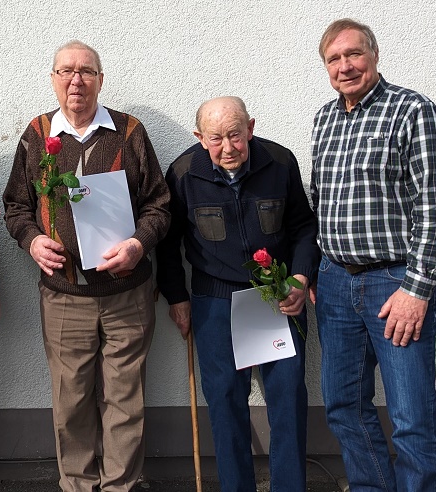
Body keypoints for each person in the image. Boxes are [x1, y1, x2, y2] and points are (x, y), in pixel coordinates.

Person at [3, 40, 170, 492]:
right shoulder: (37, 136)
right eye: (67, 71)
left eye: (87, 71)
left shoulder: (129, 132)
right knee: (70, 400)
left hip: (128, 293)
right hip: (64, 296)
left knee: (125, 400)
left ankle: (120, 486)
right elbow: (16, 205)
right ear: (54, 79)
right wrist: (33, 240)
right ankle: (77, 485)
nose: (77, 80)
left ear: (100, 78)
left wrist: (138, 244)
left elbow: (159, 205)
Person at [310, 18, 436, 491]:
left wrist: (418, 289)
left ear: (374, 55)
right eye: (334, 58)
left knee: (411, 416)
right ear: (325, 67)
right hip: (334, 283)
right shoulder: (325, 119)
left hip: (396, 283)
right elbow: (321, 202)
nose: (345, 66)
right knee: (344, 405)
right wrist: (314, 273)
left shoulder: (412, 111)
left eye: (354, 54)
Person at [155, 96, 319, 491]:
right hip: (214, 302)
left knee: (287, 402)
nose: (228, 148)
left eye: (236, 135)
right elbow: (166, 244)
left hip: (275, 297)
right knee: (226, 403)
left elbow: (303, 227)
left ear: (251, 127)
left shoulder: (280, 163)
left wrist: (299, 277)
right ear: (199, 137)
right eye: (216, 138)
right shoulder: (181, 173)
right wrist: (177, 298)